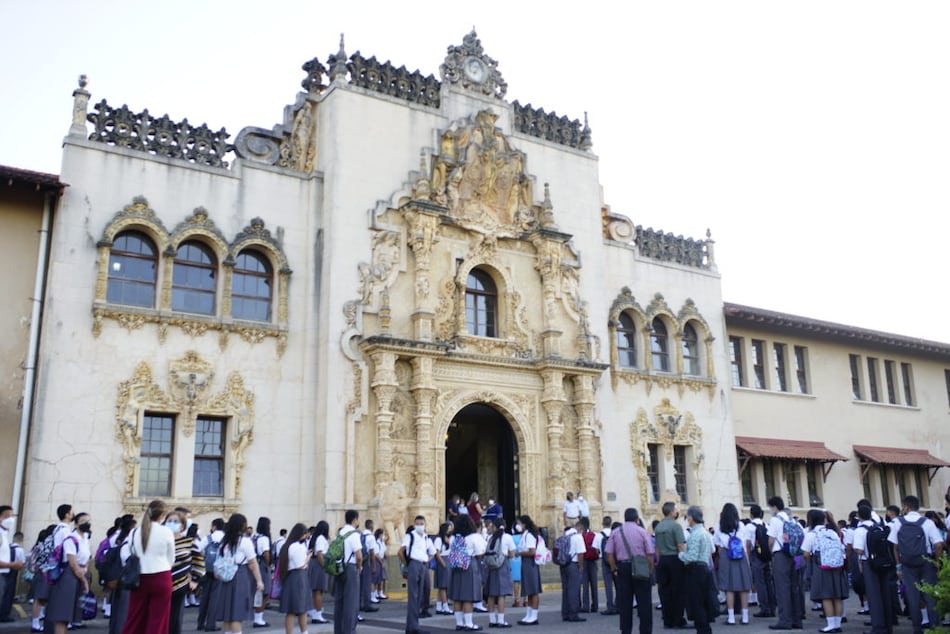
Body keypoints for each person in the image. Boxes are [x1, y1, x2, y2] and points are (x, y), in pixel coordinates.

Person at [889, 495, 945, 634]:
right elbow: (939, 544)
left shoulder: (898, 522)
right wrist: (936, 562)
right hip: (926, 562)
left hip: (907, 564)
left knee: (913, 597)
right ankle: (934, 627)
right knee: (930, 596)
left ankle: (917, 628)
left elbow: (894, 546)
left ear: (906, 507)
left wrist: (898, 565)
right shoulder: (927, 522)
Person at [120, 501, 174, 634]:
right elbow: (171, 558)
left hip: (139, 577)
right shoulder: (166, 531)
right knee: (158, 620)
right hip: (161, 575)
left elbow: (127, 553)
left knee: (135, 618)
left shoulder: (134, 532)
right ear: (162, 515)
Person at [605, 507, 654, 634]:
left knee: (625, 602)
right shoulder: (642, 532)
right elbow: (650, 553)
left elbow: (609, 553)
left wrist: (614, 568)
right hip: (640, 567)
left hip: (623, 567)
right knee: (644, 602)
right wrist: (649, 569)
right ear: (637, 519)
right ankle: (645, 630)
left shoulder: (616, 532)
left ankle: (626, 630)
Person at [216, 513, 265, 634]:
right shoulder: (245, 541)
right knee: (237, 613)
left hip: (226, 577)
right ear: (243, 526)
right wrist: (259, 580)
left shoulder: (224, 541)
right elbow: (253, 563)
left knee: (228, 613)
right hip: (240, 575)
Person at [801, 509, 848, 633]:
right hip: (837, 566)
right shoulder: (832, 532)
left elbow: (806, 553)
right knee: (837, 596)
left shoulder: (811, 534)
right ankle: (837, 624)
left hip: (821, 567)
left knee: (826, 596)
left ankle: (830, 624)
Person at [47, 510, 91, 634]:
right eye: (83, 521)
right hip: (69, 577)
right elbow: (73, 563)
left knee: (69, 615)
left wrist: (85, 571)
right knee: (62, 614)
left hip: (80, 575)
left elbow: (87, 558)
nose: (87, 523)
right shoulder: (71, 539)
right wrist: (84, 580)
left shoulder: (85, 539)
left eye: (88, 521)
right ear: (75, 524)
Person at [852, 504, 893, 634]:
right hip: (883, 562)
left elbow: (859, 550)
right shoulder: (879, 526)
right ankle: (888, 625)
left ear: (859, 516)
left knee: (873, 595)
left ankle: (878, 627)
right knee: (885, 593)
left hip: (869, 563)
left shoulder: (859, 530)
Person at [767, 496, 803, 631]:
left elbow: (771, 540)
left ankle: (784, 620)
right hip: (793, 555)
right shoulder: (791, 519)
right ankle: (796, 619)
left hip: (780, 555)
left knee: (782, 589)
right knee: (794, 587)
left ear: (774, 507)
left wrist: (770, 552)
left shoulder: (775, 520)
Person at [166, 508, 204, 634]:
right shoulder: (161, 541)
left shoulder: (188, 542)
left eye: (175, 521)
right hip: (161, 583)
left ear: (182, 526)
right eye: (169, 521)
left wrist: (195, 580)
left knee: (175, 618)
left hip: (180, 584)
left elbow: (199, 561)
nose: (172, 523)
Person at [714, 502, 752, 625]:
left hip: (726, 555)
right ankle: (745, 616)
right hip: (740, 556)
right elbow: (744, 542)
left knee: (729, 587)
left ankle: (731, 617)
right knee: (743, 587)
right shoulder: (741, 525)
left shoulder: (719, 527)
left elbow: (717, 545)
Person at [679, 506, 713, 634]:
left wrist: (681, 554)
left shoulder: (694, 535)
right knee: (704, 601)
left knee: (697, 602)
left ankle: (702, 630)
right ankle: (706, 628)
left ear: (691, 518)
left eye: (687, 517)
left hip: (695, 570)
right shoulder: (705, 532)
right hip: (704, 567)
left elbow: (691, 557)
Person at [400, 515, 436, 634]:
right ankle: (413, 626)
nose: (420, 526)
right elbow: (401, 552)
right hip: (414, 563)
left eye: (422, 524)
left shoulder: (426, 538)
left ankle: (412, 625)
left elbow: (433, 552)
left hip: (422, 564)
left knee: (419, 596)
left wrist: (426, 560)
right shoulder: (410, 536)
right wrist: (407, 564)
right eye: (417, 524)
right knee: (413, 596)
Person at [447, 514, 482, 631]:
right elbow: (479, 553)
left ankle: (459, 623)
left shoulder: (453, 538)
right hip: (469, 566)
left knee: (457, 597)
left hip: (456, 567)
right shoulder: (473, 537)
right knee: (468, 597)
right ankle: (469, 623)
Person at [655, 501, 687, 628]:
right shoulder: (676, 526)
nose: (677, 512)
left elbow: (657, 548)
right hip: (675, 559)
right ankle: (678, 619)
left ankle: (667, 619)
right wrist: (685, 559)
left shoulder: (658, 527)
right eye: (675, 510)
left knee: (664, 591)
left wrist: (658, 561)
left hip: (663, 559)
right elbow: (680, 545)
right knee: (678, 590)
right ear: (671, 512)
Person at [277, 523, 312, 634]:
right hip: (299, 578)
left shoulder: (287, 546)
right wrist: (308, 557)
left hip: (290, 577)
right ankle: (304, 631)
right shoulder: (297, 547)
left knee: (291, 610)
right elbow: (301, 565)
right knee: (302, 609)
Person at [334, 510, 363, 634]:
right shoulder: (353, 534)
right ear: (355, 520)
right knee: (351, 602)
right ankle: (349, 630)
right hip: (350, 567)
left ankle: (338, 630)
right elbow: (359, 555)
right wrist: (359, 566)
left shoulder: (340, 533)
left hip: (339, 567)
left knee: (339, 602)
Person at [106, 515, 135, 634]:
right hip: (125, 579)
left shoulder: (117, 539)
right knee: (124, 610)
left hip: (116, 577)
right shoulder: (128, 544)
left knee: (117, 609)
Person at [484, 518, 515, 628]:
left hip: (491, 566)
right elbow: (512, 553)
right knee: (501, 594)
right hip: (502, 565)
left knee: (491, 594)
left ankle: (492, 620)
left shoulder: (491, 538)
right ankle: (501, 620)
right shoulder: (507, 537)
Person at [197, 517, 225, 632]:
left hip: (207, 569)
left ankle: (200, 622)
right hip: (219, 570)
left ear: (214, 527)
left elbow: (198, 550)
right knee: (215, 597)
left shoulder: (208, 538)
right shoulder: (225, 538)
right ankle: (210, 624)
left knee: (204, 596)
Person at [748, 504, 776, 618]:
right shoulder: (766, 525)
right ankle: (772, 607)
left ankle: (764, 608)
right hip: (766, 556)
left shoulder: (750, 527)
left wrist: (748, 558)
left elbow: (748, 544)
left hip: (756, 555)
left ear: (751, 514)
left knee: (760, 583)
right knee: (769, 582)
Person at [516, 515, 542, 626]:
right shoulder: (525, 534)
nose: (518, 526)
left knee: (533, 590)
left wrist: (519, 553)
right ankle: (529, 614)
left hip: (530, 563)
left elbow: (532, 551)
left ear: (524, 524)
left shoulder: (529, 536)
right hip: (526, 563)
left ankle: (534, 616)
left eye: (519, 523)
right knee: (529, 590)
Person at [558, 520, 586, 623]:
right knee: (574, 590)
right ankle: (573, 613)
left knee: (565, 590)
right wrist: (581, 566)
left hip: (563, 564)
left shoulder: (565, 535)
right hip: (573, 564)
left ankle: (565, 613)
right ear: (581, 529)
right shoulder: (578, 537)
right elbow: (580, 554)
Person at [0, 506, 23, 623]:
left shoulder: (4, 534)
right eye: (7, 516)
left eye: (11, 516)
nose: (10, 519)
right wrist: (12, 565)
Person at [252, 516, 272, 628]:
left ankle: (257, 617)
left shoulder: (255, 537)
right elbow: (266, 554)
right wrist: (268, 564)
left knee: (258, 592)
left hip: (255, 563)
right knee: (265, 592)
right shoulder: (264, 538)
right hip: (262, 565)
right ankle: (258, 618)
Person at [307, 521, 329, 624]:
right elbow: (319, 553)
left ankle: (316, 613)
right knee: (319, 591)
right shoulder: (321, 538)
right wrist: (325, 566)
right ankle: (318, 614)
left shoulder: (315, 538)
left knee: (316, 591)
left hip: (314, 563)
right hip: (319, 565)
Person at [578, 517, 599, 614]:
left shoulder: (581, 536)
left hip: (584, 560)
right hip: (593, 561)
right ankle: (595, 605)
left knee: (585, 584)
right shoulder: (594, 535)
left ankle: (585, 606)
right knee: (594, 584)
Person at [598, 515, 617, 615]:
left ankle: (610, 606)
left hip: (605, 562)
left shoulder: (599, 535)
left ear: (602, 523)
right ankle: (618, 605)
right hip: (615, 561)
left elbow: (596, 549)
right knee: (618, 585)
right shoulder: (616, 533)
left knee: (608, 586)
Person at [433, 522, 452, 615]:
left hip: (448, 560)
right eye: (449, 528)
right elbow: (437, 553)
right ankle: (445, 606)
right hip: (443, 560)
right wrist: (443, 563)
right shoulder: (439, 539)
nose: (450, 530)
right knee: (443, 586)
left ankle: (439, 606)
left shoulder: (448, 539)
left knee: (442, 586)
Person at [360, 519, 378, 614]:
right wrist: (374, 565)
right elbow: (372, 552)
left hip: (359, 560)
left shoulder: (361, 534)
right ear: (371, 526)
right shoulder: (371, 537)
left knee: (360, 584)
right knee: (367, 584)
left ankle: (359, 604)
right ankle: (367, 604)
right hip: (366, 561)